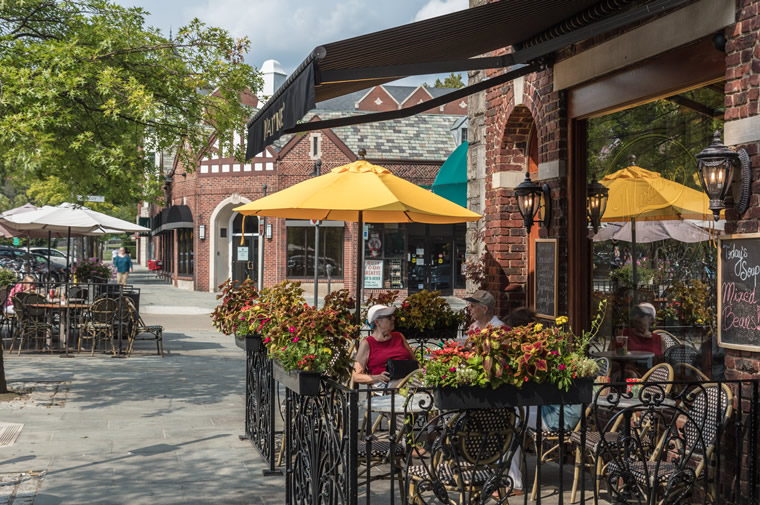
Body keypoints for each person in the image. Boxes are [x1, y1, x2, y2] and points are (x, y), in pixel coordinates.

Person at [352, 304, 417, 386]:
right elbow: (356, 376)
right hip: (385, 382)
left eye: (393, 316)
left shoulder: (399, 336)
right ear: (377, 322)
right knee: (412, 388)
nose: (393, 318)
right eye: (389, 317)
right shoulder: (367, 343)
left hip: (409, 377)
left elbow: (415, 362)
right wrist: (378, 377)